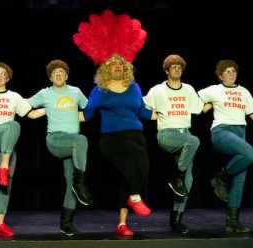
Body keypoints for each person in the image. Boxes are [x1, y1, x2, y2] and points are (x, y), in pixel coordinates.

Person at [81, 54, 157, 236]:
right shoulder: (100, 90)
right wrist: (58, 115)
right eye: (113, 64)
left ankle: (122, 224)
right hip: (112, 139)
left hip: (136, 135)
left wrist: (169, 114)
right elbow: (87, 114)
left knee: (134, 173)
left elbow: (143, 112)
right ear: (106, 69)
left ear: (126, 69)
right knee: (134, 168)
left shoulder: (134, 88)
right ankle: (136, 197)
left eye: (121, 64)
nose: (117, 66)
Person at [0, 62, 45, 237]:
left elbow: (32, 114)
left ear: (8, 78)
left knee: (4, 185)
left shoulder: (14, 97)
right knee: (13, 125)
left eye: (2, 73)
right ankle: (3, 167)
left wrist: (50, 108)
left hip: (5, 146)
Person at [198, 59, 253, 233]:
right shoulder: (214, 89)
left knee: (240, 179)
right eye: (227, 72)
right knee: (250, 153)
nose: (231, 74)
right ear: (221, 75)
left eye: (234, 71)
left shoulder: (244, 91)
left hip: (240, 131)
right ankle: (221, 177)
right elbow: (195, 102)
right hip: (222, 132)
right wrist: (206, 106)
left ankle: (232, 223)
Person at [28, 59, 93, 237]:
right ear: (50, 77)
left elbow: (88, 111)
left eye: (61, 72)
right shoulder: (45, 93)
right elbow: (26, 106)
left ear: (66, 75)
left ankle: (66, 223)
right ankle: (81, 184)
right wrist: (41, 111)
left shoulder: (75, 91)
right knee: (82, 140)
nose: (58, 74)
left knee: (70, 184)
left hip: (73, 144)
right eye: (54, 73)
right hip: (55, 140)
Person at [143, 54, 205, 234]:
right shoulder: (157, 90)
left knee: (189, 180)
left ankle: (176, 218)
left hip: (185, 135)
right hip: (167, 134)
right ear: (167, 70)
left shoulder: (188, 89)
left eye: (179, 66)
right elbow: (143, 109)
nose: (177, 69)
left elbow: (199, 108)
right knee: (194, 141)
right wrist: (159, 116)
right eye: (173, 66)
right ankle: (177, 176)